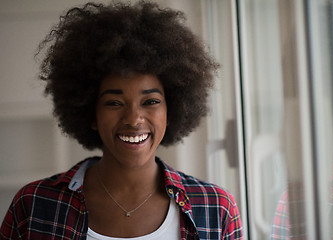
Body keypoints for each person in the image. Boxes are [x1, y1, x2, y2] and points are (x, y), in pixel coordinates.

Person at [0, 1, 243, 239]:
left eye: (150, 102)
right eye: (114, 103)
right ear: (90, 113)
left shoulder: (216, 209)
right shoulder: (33, 206)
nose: (134, 119)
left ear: (173, 110)